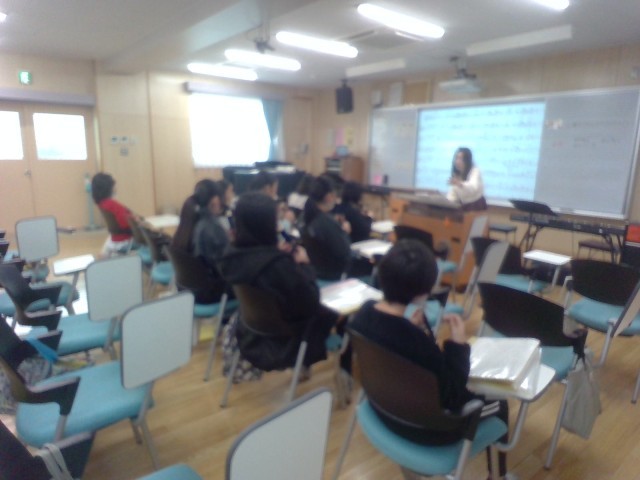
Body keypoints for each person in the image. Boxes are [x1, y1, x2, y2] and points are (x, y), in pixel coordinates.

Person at [349, 239, 510, 479]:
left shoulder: (362, 315)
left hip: (381, 409)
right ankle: (497, 475)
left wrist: (419, 331)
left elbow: (404, 348)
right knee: (501, 404)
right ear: (423, 292)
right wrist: (458, 345)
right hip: (429, 432)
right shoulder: (415, 342)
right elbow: (453, 393)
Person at [217, 192, 350, 380]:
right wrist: (305, 264)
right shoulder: (279, 266)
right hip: (288, 339)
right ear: (267, 226)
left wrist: (274, 253)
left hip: (251, 330)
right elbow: (312, 301)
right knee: (345, 312)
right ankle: (345, 372)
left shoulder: (230, 256)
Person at [172, 179, 229, 303]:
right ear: (215, 200)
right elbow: (225, 266)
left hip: (189, 290)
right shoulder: (212, 227)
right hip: (209, 294)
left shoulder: (192, 222)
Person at [301, 175, 352, 281]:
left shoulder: (309, 216)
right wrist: (344, 233)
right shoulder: (327, 223)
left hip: (313, 274)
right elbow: (345, 254)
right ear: (329, 196)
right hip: (331, 277)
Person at [91, 172, 139, 256]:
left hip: (115, 240)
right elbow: (125, 222)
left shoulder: (102, 204)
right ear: (108, 188)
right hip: (125, 240)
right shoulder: (111, 204)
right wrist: (136, 220)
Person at [446, 147, 487, 211]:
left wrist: (460, 184)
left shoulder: (475, 171)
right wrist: (446, 203)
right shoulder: (457, 174)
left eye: (461, 159)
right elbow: (453, 194)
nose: (457, 161)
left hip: (475, 205)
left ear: (467, 160)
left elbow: (473, 188)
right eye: (456, 158)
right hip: (463, 205)